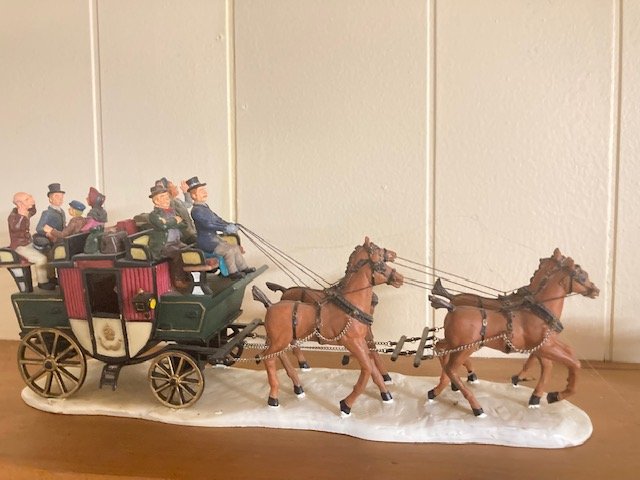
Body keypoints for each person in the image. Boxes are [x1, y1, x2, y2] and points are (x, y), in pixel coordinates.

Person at [187, 176, 254, 279]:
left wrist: (230, 224)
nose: (205, 192)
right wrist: (226, 228)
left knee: (235, 247)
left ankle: (243, 268)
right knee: (228, 251)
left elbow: (217, 219)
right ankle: (233, 273)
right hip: (206, 242)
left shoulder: (205, 207)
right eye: (201, 191)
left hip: (214, 239)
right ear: (194, 195)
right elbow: (209, 224)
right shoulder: (196, 211)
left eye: (204, 190)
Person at [8, 192, 55, 290]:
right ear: (19, 203)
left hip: (28, 243)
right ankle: (43, 282)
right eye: (27, 199)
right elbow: (16, 227)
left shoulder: (26, 212)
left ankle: (51, 277)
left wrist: (31, 201)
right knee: (41, 259)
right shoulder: (14, 217)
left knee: (49, 253)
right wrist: (22, 215)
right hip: (20, 246)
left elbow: (33, 210)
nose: (30, 200)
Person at [147, 184, 189, 289]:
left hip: (176, 242)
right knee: (177, 254)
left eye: (167, 196)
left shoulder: (172, 211)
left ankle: (189, 277)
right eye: (163, 197)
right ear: (156, 201)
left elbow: (184, 224)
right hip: (164, 246)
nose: (167, 199)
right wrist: (175, 220)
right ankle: (178, 280)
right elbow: (163, 226)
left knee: (189, 251)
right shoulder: (154, 215)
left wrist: (169, 222)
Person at [155, 177, 196, 243]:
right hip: (186, 235)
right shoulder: (171, 203)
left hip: (191, 231)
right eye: (173, 186)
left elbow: (188, 204)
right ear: (168, 191)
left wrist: (186, 192)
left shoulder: (177, 200)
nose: (176, 187)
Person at [35, 183, 66, 249]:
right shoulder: (47, 213)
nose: (60, 199)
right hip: (51, 239)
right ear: (50, 199)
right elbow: (39, 228)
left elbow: (63, 225)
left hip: (60, 237)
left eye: (62, 197)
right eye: (57, 196)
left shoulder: (62, 212)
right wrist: (48, 234)